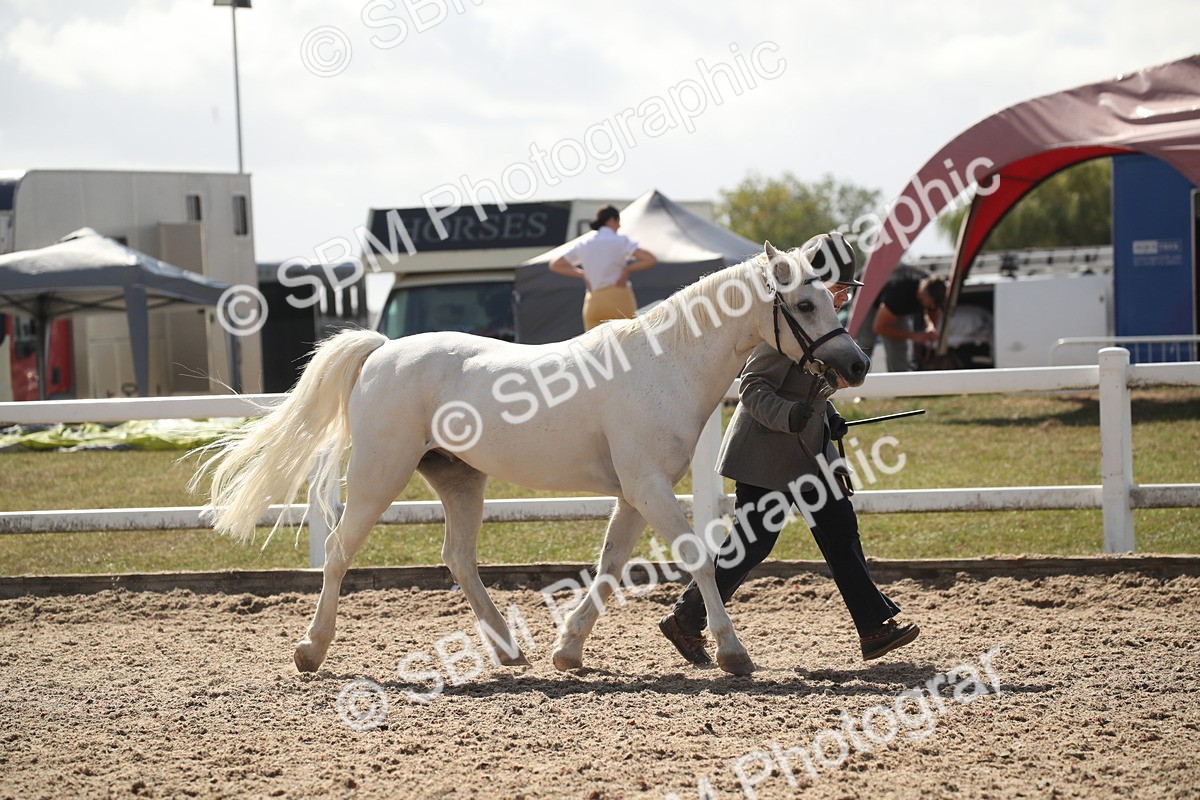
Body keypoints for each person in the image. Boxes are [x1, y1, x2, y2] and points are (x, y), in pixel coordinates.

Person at [659, 232, 919, 668]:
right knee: (752, 543)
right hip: (766, 455)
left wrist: (825, 415)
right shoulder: (781, 326)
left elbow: (812, 388)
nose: (839, 298)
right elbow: (754, 389)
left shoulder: (819, 322)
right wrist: (791, 416)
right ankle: (687, 618)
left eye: (841, 291)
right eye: (834, 287)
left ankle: (874, 628)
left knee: (839, 531)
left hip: (809, 454)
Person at [549, 205, 657, 331]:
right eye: (618, 222)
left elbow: (555, 265)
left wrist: (584, 274)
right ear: (611, 220)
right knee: (627, 346)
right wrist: (627, 270)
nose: (619, 226)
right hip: (619, 298)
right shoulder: (620, 241)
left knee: (595, 348)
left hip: (594, 301)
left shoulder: (584, 244)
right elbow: (650, 259)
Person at [854, 268, 947, 371]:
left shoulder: (933, 286)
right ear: (921, 294)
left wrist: (931, 327)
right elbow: (878, 327)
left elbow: (933, 310)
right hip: (867, 293)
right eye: (929, 304)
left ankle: (898, 380)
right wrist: (913, 336)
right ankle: (857, 376)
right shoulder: (899, 296)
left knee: (898, 349)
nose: (932, 307)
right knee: (865, 343)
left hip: (891, 296)